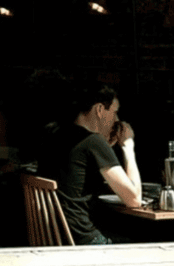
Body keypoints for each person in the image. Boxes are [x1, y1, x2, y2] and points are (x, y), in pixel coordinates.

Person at [51, 83, 143, 244]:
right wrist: (128, 148)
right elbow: (134, 200)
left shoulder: (57, 134)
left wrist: (106, 148)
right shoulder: (92, 141)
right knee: (146, 241)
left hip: (56, 233)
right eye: (114, 112)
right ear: (99, 109)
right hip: (83, 239)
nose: (117, 120)